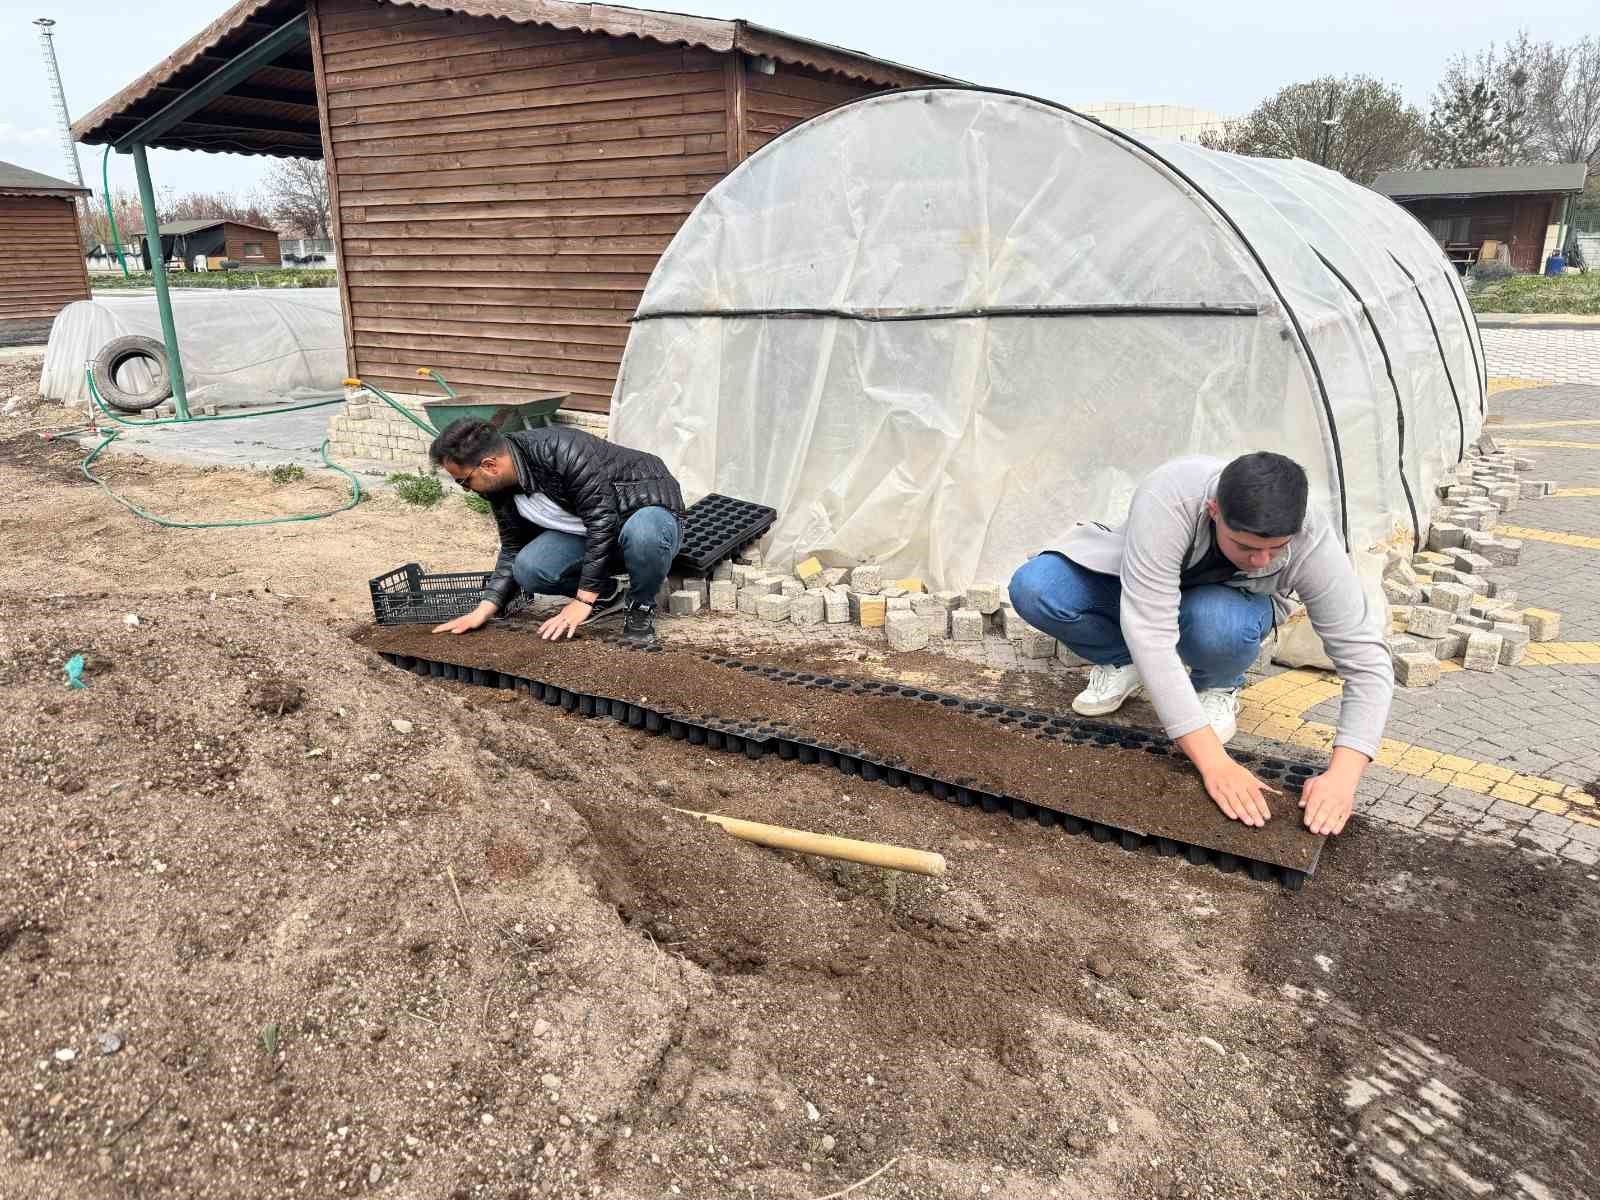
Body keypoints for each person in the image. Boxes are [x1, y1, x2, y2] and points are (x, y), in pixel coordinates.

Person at [1008, 452, 1392, 837]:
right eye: (1245, 547)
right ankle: (1124, 662)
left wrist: (1343, 777)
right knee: (1038, 588)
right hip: (1147, 589)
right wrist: (1215, 764)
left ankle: (1218, 684)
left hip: (1226, 608)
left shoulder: (1311, 537)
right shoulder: (1170, 496)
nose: (1261, 561)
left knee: (1215, 622)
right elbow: (1151, 630)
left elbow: (1366, 659)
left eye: (1275, 550)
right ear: (1213, 511)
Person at [427, 419, 685, 644]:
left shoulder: (562, 450)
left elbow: (602, 522)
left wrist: (582, 601)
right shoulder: (498, 487)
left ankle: (640, 605)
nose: (466, 489)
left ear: (490, 465)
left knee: (643, 535)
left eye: (464, 481)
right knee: (528, 568)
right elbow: (513, 547)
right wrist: (484, 609)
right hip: (590, 531)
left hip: (647, 515)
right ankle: (608, 594)